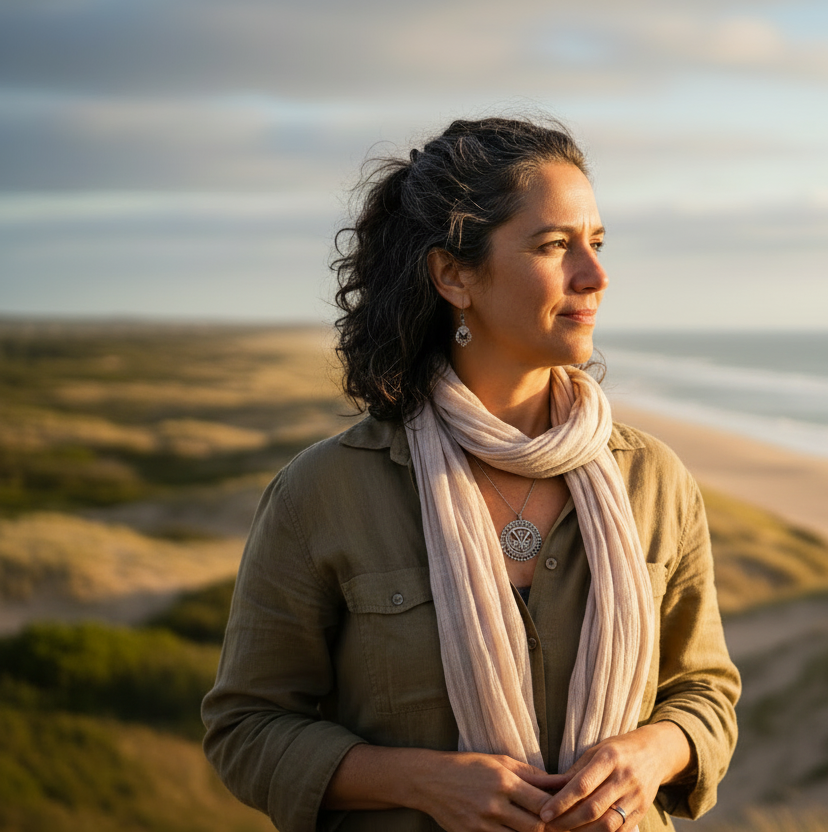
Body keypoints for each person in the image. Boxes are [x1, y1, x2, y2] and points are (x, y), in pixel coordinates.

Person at [202, 116, 740, 832]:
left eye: (598, 243)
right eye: (555, 246)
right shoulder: (325, 492)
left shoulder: (653, 480)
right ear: (454, 275)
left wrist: (653, 751)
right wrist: (423, 783)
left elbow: (704, 693)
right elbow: (247, 728)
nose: (596, 275)